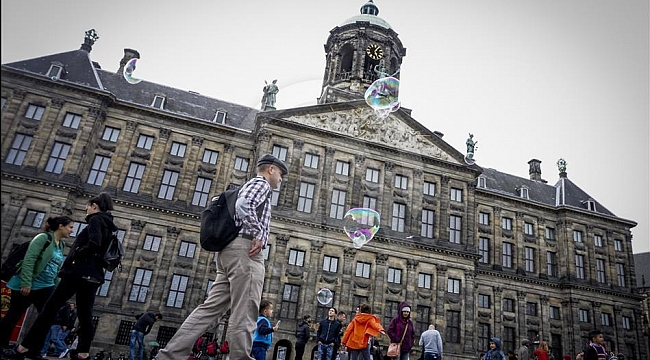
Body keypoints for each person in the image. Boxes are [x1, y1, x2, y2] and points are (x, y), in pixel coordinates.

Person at [154, 154, 287, 360]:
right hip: (246, 252)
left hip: (228, 252)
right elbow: (244, 205)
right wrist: (259, 234)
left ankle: (168, 356)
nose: (281, 179)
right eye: (280, 174)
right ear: (270, 169)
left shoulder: (249, 185)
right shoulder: (261, 184)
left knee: (209, 310)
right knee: (245, 311)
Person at [4, 192, 118, 360]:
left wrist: (77, 255)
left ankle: (23, 348)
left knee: (49, 310)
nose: (85, 208)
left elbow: (95, 243)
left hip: (77, 274)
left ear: (95, 207)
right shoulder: (109, 225)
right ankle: (83, 354)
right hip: (94, 276)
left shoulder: (95, 219)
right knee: (86, 316)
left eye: (87, 206)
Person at [0, 216, 74, 351]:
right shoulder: (43, 238)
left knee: (48, 318)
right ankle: (2, 345)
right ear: (61, 226)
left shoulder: (62, 244)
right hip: (29, 284)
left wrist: (56, 287)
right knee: (14, 315)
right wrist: (26, 283)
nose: (72, 231)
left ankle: (33, 349)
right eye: (70, 227)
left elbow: (56, 268)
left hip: (46, 286)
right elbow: (29, 259)